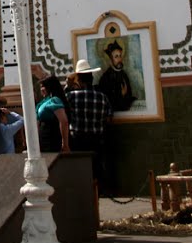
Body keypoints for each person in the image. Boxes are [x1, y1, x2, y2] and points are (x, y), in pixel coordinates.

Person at [66, 58, 112, 190]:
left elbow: (61, 106)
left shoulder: (71, 96)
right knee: (96, 170)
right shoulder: (102, 97)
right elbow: (108, 118)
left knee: (79, 172)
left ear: (79, 80)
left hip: (77, 140)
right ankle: (97, 194)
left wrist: (68, 85)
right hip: (97, 140)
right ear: (91, 78)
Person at [36, 76, 70, 153]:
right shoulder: (45, 101)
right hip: (44, 141)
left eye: (43, 87)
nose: (41, 90)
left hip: (52, 141)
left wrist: (65, 144)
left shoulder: (54, 100)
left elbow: (64, 121)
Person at [98, 41, 135, 111]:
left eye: (120, 56)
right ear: (111, 59)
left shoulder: (124, 75)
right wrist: (121, 95)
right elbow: (106, 100)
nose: (119, 59)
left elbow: (129, 94)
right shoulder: (105, 77)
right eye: (116, 57)